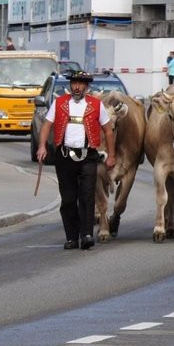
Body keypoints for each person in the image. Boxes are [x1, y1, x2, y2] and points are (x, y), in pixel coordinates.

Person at [36, 71, 117, 251]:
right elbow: (46, 125)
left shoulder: (96, 105)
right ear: (71, 85)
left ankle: (86, 234)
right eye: (74, 83)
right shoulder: (59, 103)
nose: (77, 87)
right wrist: (42, 147)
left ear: (86, 86)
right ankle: (71, 237)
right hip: (64, 156)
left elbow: (108, 130)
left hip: (88, 156)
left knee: (87, 196)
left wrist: (111, 155)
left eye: (81, 83)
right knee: (68, 198)